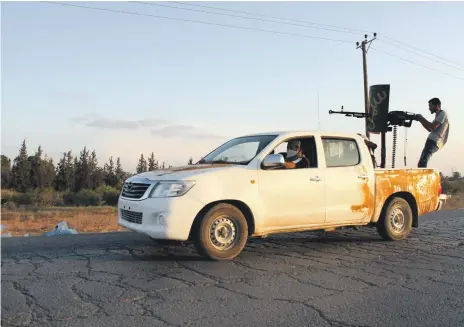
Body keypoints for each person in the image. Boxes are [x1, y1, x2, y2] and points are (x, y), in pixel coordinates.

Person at [415, 97, 450, 168]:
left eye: (430, 106)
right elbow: (429, 129)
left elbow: (432, 126)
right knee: (421, 163)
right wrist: (420, 120)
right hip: (431, 141)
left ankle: (424, 178)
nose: (429, 108)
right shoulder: (438, 115)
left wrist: (421, 118)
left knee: (422, 162)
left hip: (434, 141)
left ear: (437, 106)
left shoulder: (442, 113)